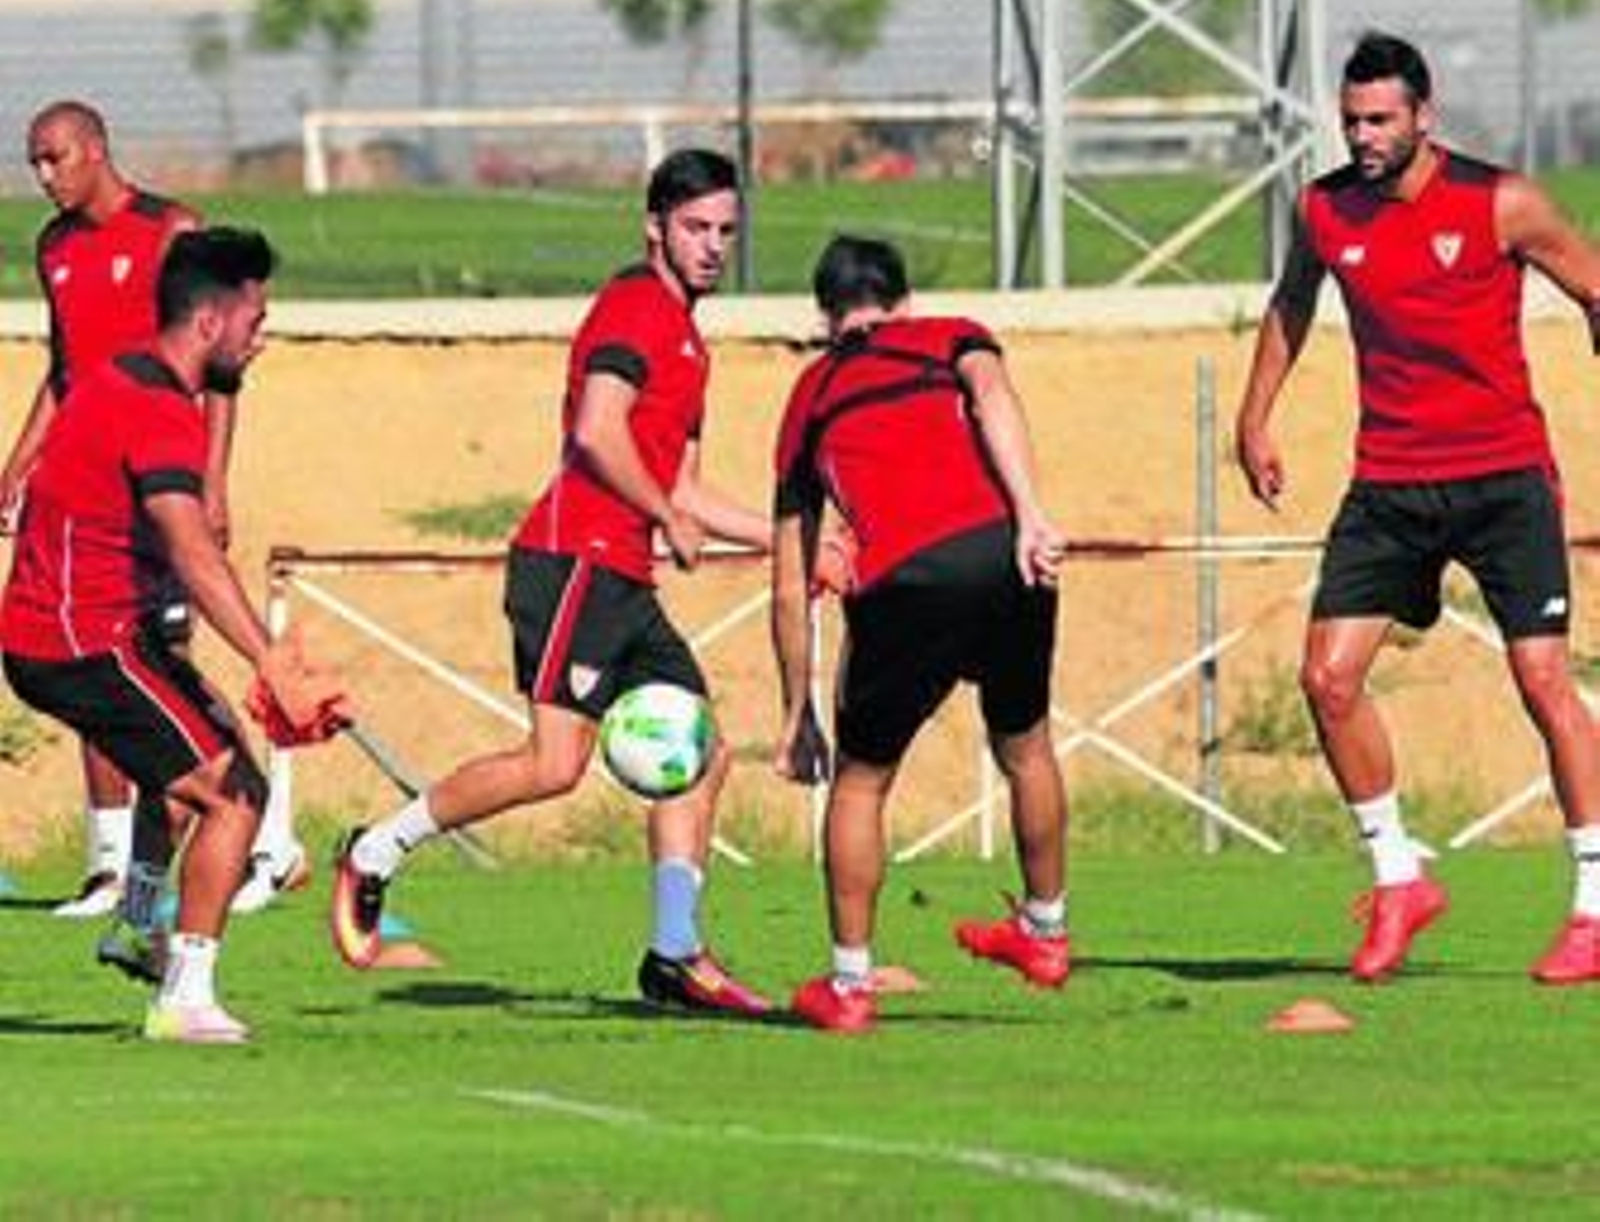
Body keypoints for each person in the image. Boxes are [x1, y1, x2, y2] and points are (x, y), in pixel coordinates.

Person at [330, 148, 774, 1015]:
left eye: (725, 230)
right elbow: (600, 432)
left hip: (622, 576)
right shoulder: (633, 307)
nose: (712, 245)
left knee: (703, 752)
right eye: (695, 228)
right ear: (654, 226)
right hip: (572, 562)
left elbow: (681, 486)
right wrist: (668, 516)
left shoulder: (689, 340)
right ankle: (374, 851)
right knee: (552, 764)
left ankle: (675, 953)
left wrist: (794, 543)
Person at [1236, 32, 1600, 984]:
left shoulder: (1501, 201)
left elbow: (1593, 283)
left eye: (1380, 119)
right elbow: (1291, 302)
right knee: (1327, 678)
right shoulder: (1324, 206)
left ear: (1422, 117)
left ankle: (1594, 906)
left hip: (1504, 477)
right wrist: (1253, 416)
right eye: (1351, 118)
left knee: (1542, 681)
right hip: (1390, 483)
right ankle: (1400, 877)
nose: (1361, 135)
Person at [0, 227, 347, 1043]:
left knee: (195, 751)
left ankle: (136, 921)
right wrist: (274, 660)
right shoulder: (159, 410)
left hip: (86, 629)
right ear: (210, 321)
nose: (261, 337)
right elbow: (192, 550)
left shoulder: (120, 375)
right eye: (255, 318)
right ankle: (184, 996)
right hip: (80, 641)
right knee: (235, 794)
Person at [0, 101, 308, 917]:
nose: (43, 175)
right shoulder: (54, 248)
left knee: (153, 661)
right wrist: (20, 460)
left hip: (158, 481)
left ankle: (264, 839)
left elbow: (219, 367)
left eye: (54, 157)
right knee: (103, 665)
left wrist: (212, 480)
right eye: (33, 160)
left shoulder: (172, 231)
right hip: (90, 479)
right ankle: (118, 871)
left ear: (96, 150)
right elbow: (63, 370)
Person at [770, 234, 1071, 1034]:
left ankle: (848, 984)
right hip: (1007, 553)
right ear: (903, 303)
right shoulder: (950, 335)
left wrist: (797, 708)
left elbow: (788, 565)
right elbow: (995, 395)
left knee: (862, 782)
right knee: (1028, 748)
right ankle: (1045, 933)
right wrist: (1031, 515)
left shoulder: (812, 391)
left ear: (826, 315)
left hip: (907, 578)